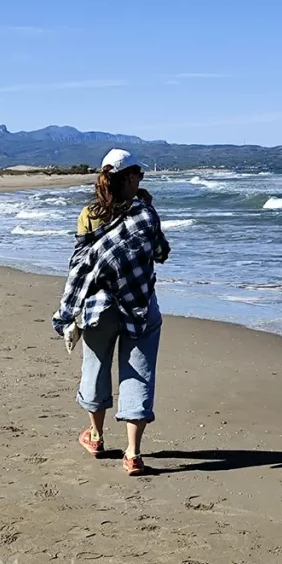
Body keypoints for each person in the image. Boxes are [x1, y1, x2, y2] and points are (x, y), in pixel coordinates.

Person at [52, 149, 170, 475]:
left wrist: (70, 309)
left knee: (95, 367)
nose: (141, 179)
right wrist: (149, 211)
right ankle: (133, 453)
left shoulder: (88, 214)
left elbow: (80, 261)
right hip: (140, 304)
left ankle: (96, 436)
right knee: (139, 372)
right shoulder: (143, 212)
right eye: (139, 174)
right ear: (129, 177)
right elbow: (159, 252)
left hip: (98, 307)